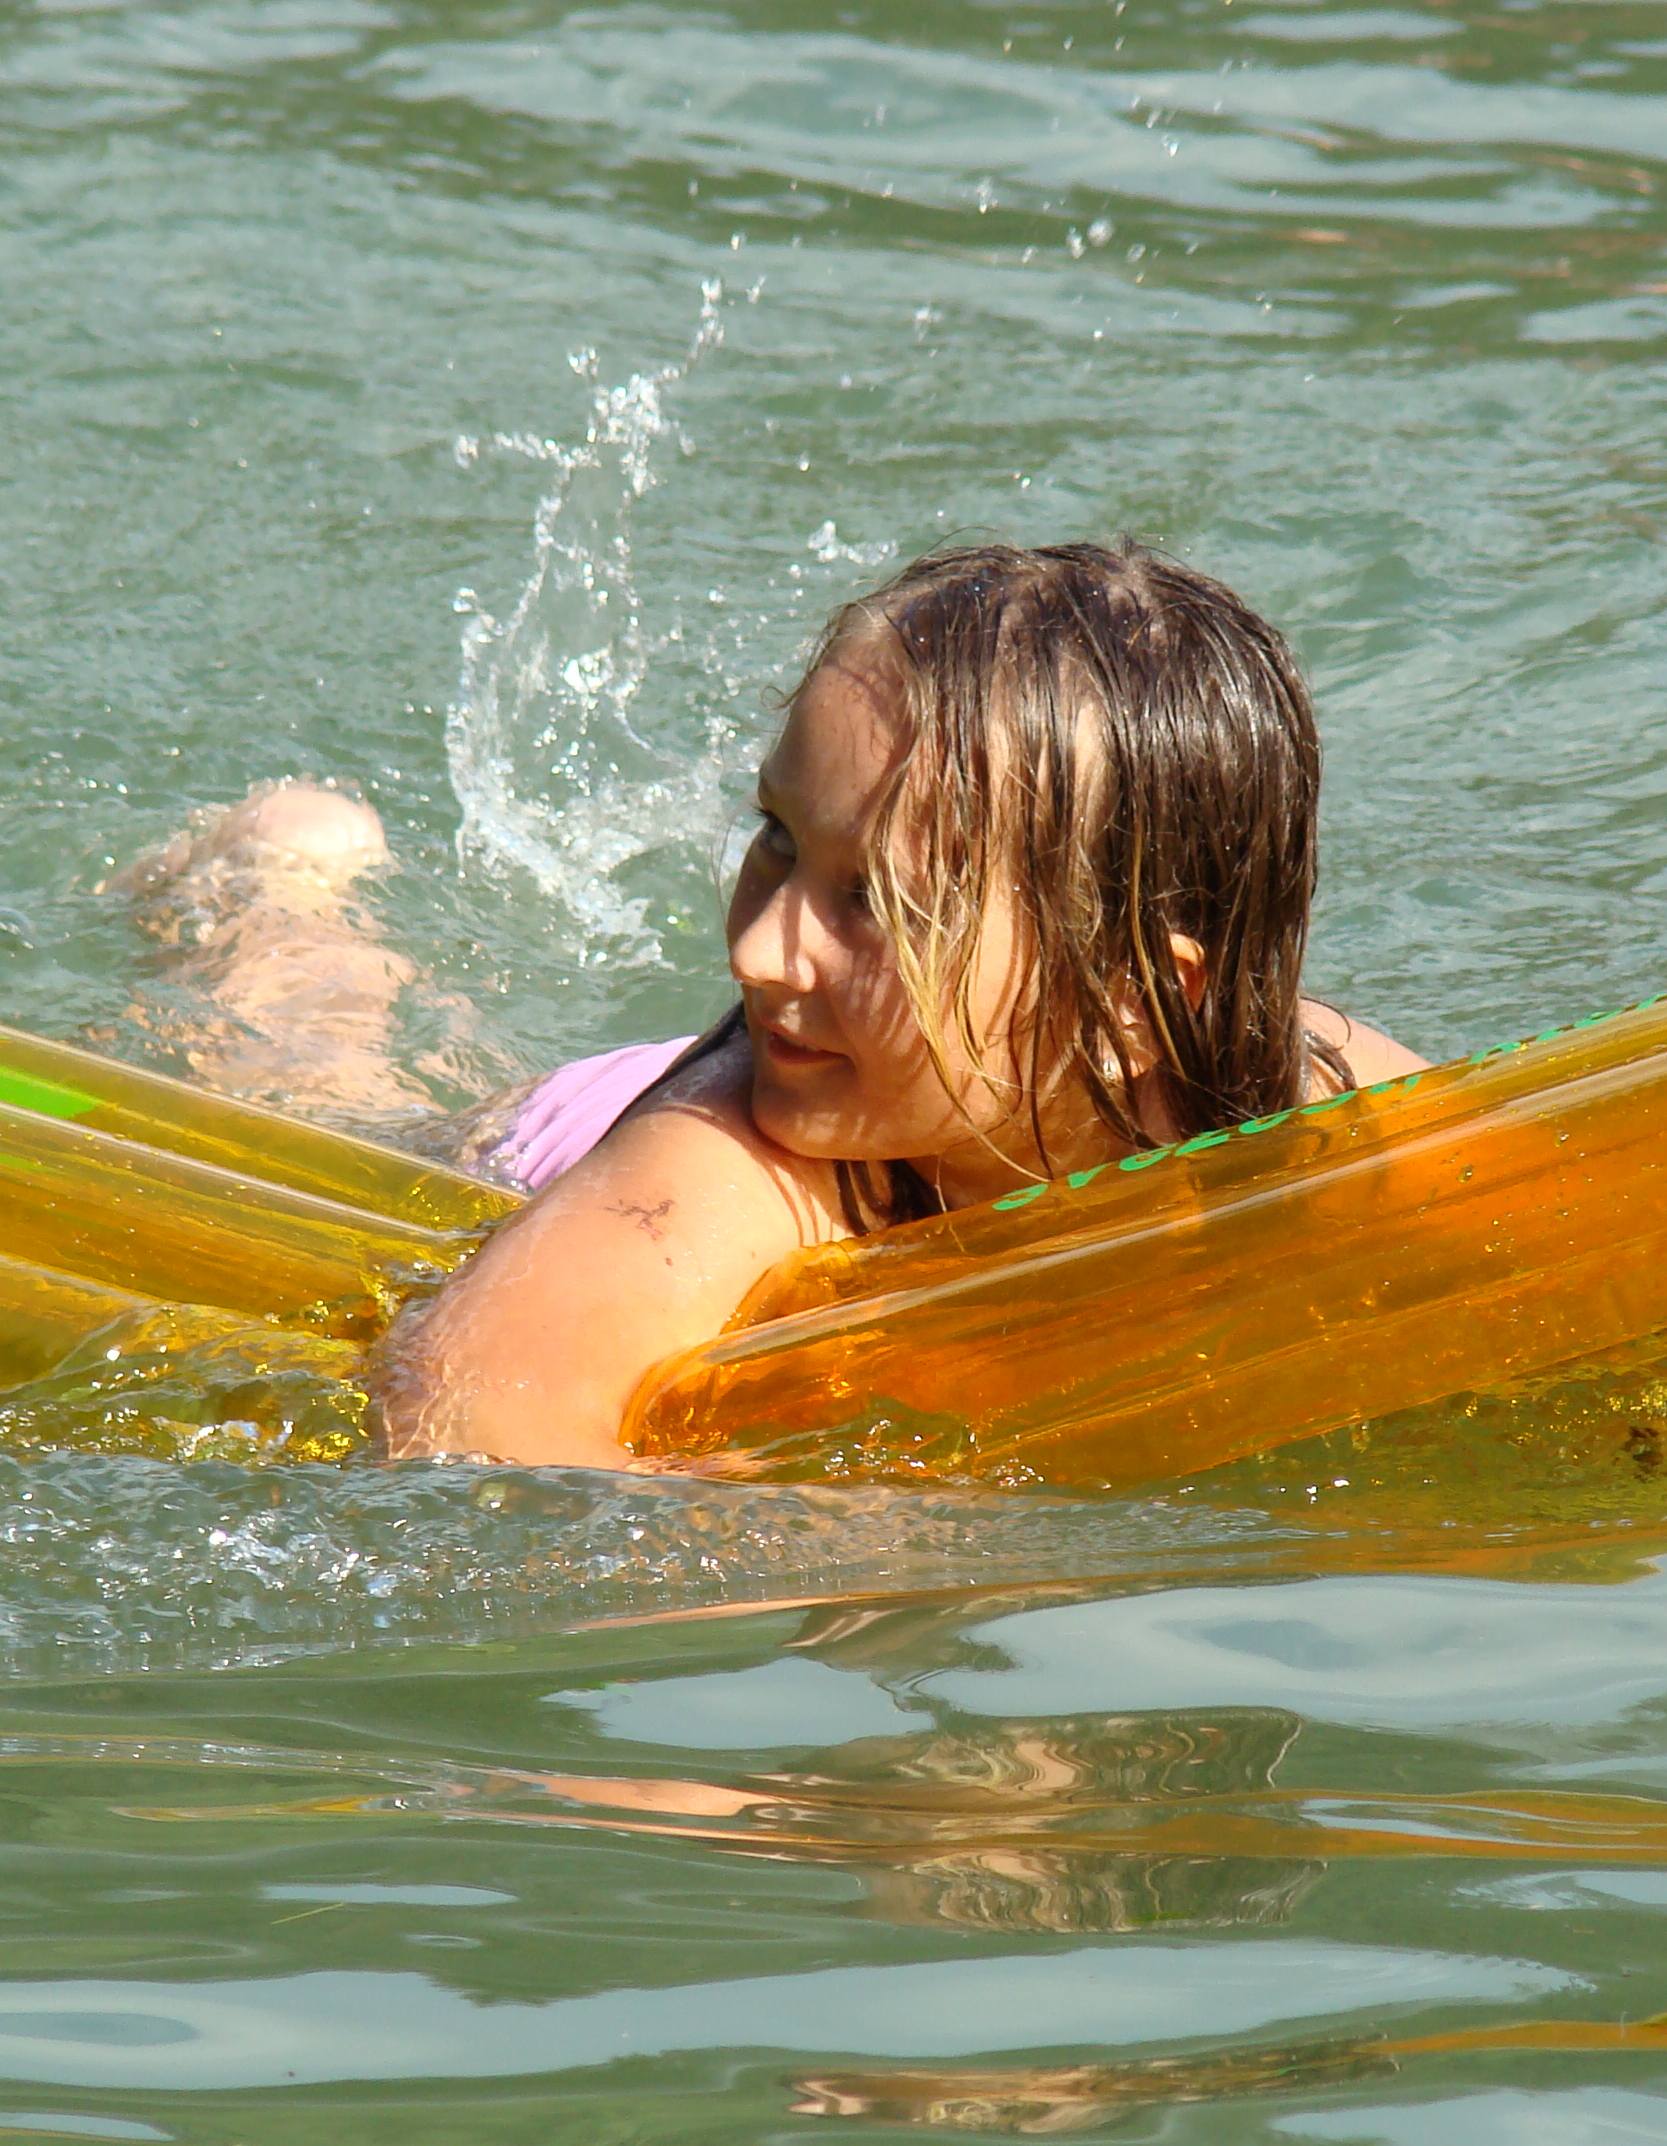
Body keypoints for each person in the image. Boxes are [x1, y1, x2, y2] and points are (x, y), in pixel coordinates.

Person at [372, 539, 1427, 1469]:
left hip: (843, 1065)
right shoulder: (729, 1171)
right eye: (777, 836)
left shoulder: (1313, 1095)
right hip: (554, 1146)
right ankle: (309, 909)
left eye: (878, 900)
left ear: (1131, 1009)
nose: (756, 951)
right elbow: (464, 1432)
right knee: (345, 1075)